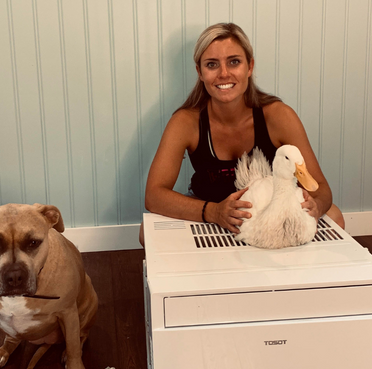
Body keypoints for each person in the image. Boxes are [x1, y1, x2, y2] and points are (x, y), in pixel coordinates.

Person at [141, 22, 344, 246]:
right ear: (200, 72)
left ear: (250, 67)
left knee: (334, 215)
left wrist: (316, 207)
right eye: (212, 65)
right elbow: (154, 195)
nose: (224, 74)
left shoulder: (279, 116)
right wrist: (214, 212)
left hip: (268, 214)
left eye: (234, 62)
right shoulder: (185, 122)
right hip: (210, 211)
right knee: (146, 232)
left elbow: (321, 188)